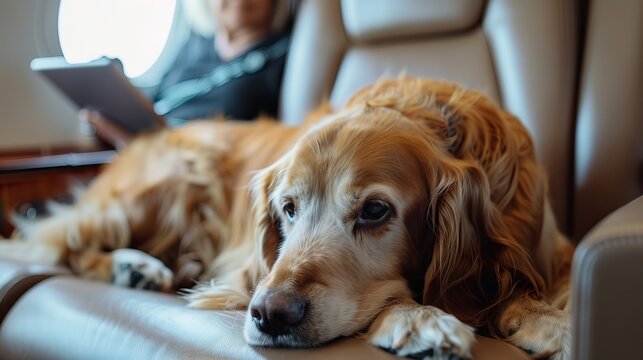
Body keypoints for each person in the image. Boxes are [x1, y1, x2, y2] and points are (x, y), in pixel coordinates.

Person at [82, 0, 291, 149]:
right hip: (147, 148)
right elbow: (156, 103)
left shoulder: (282, 54)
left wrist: (147, 148)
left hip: (195, 167)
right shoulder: (194, 44)